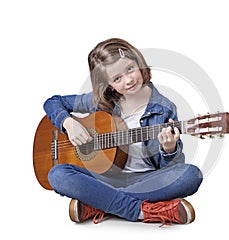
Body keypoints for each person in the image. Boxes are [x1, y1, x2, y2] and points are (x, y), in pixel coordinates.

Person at [44, 38, 202, 225]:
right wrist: (68, 123)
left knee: (190, 175)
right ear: (108, 84)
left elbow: (170, 169)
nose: (128, 80)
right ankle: (140, 211)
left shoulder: (164, 108)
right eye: (117, 78)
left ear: (139, 63)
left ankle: (97, 202)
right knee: (57, 174)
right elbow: (52, 102)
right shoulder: (99, 101)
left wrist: (169, 148)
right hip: (103, 179)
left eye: (130, 69)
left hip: (146, 180)